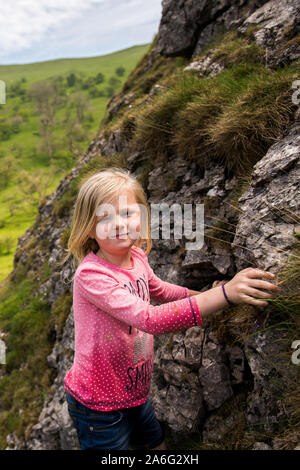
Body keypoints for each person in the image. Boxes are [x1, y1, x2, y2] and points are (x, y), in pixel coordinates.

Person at [62, 167, 281, 450]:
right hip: (98, 407)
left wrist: (203, 294)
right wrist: (226, 295)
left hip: (135, 393)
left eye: (127, 213)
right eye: (105, 217)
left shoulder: (137, 257)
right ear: (89, 228)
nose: (118, 224)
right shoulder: (92, 276)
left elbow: (162, 291)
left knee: (156, 446)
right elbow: (149, 319)